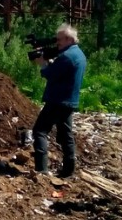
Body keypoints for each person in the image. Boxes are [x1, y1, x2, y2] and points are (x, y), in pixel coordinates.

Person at [32, 23, 87, 178]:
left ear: (69, 39)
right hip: (70, 101)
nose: (57, 43)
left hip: (57, 100)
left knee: (40, 131)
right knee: (65, 135)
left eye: (59, 40)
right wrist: (50, 63)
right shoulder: (79, 55)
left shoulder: (66, 56)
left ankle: (41, 170)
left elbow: (50, 74)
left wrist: (42, 64)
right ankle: (68, 170)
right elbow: (61, 72)